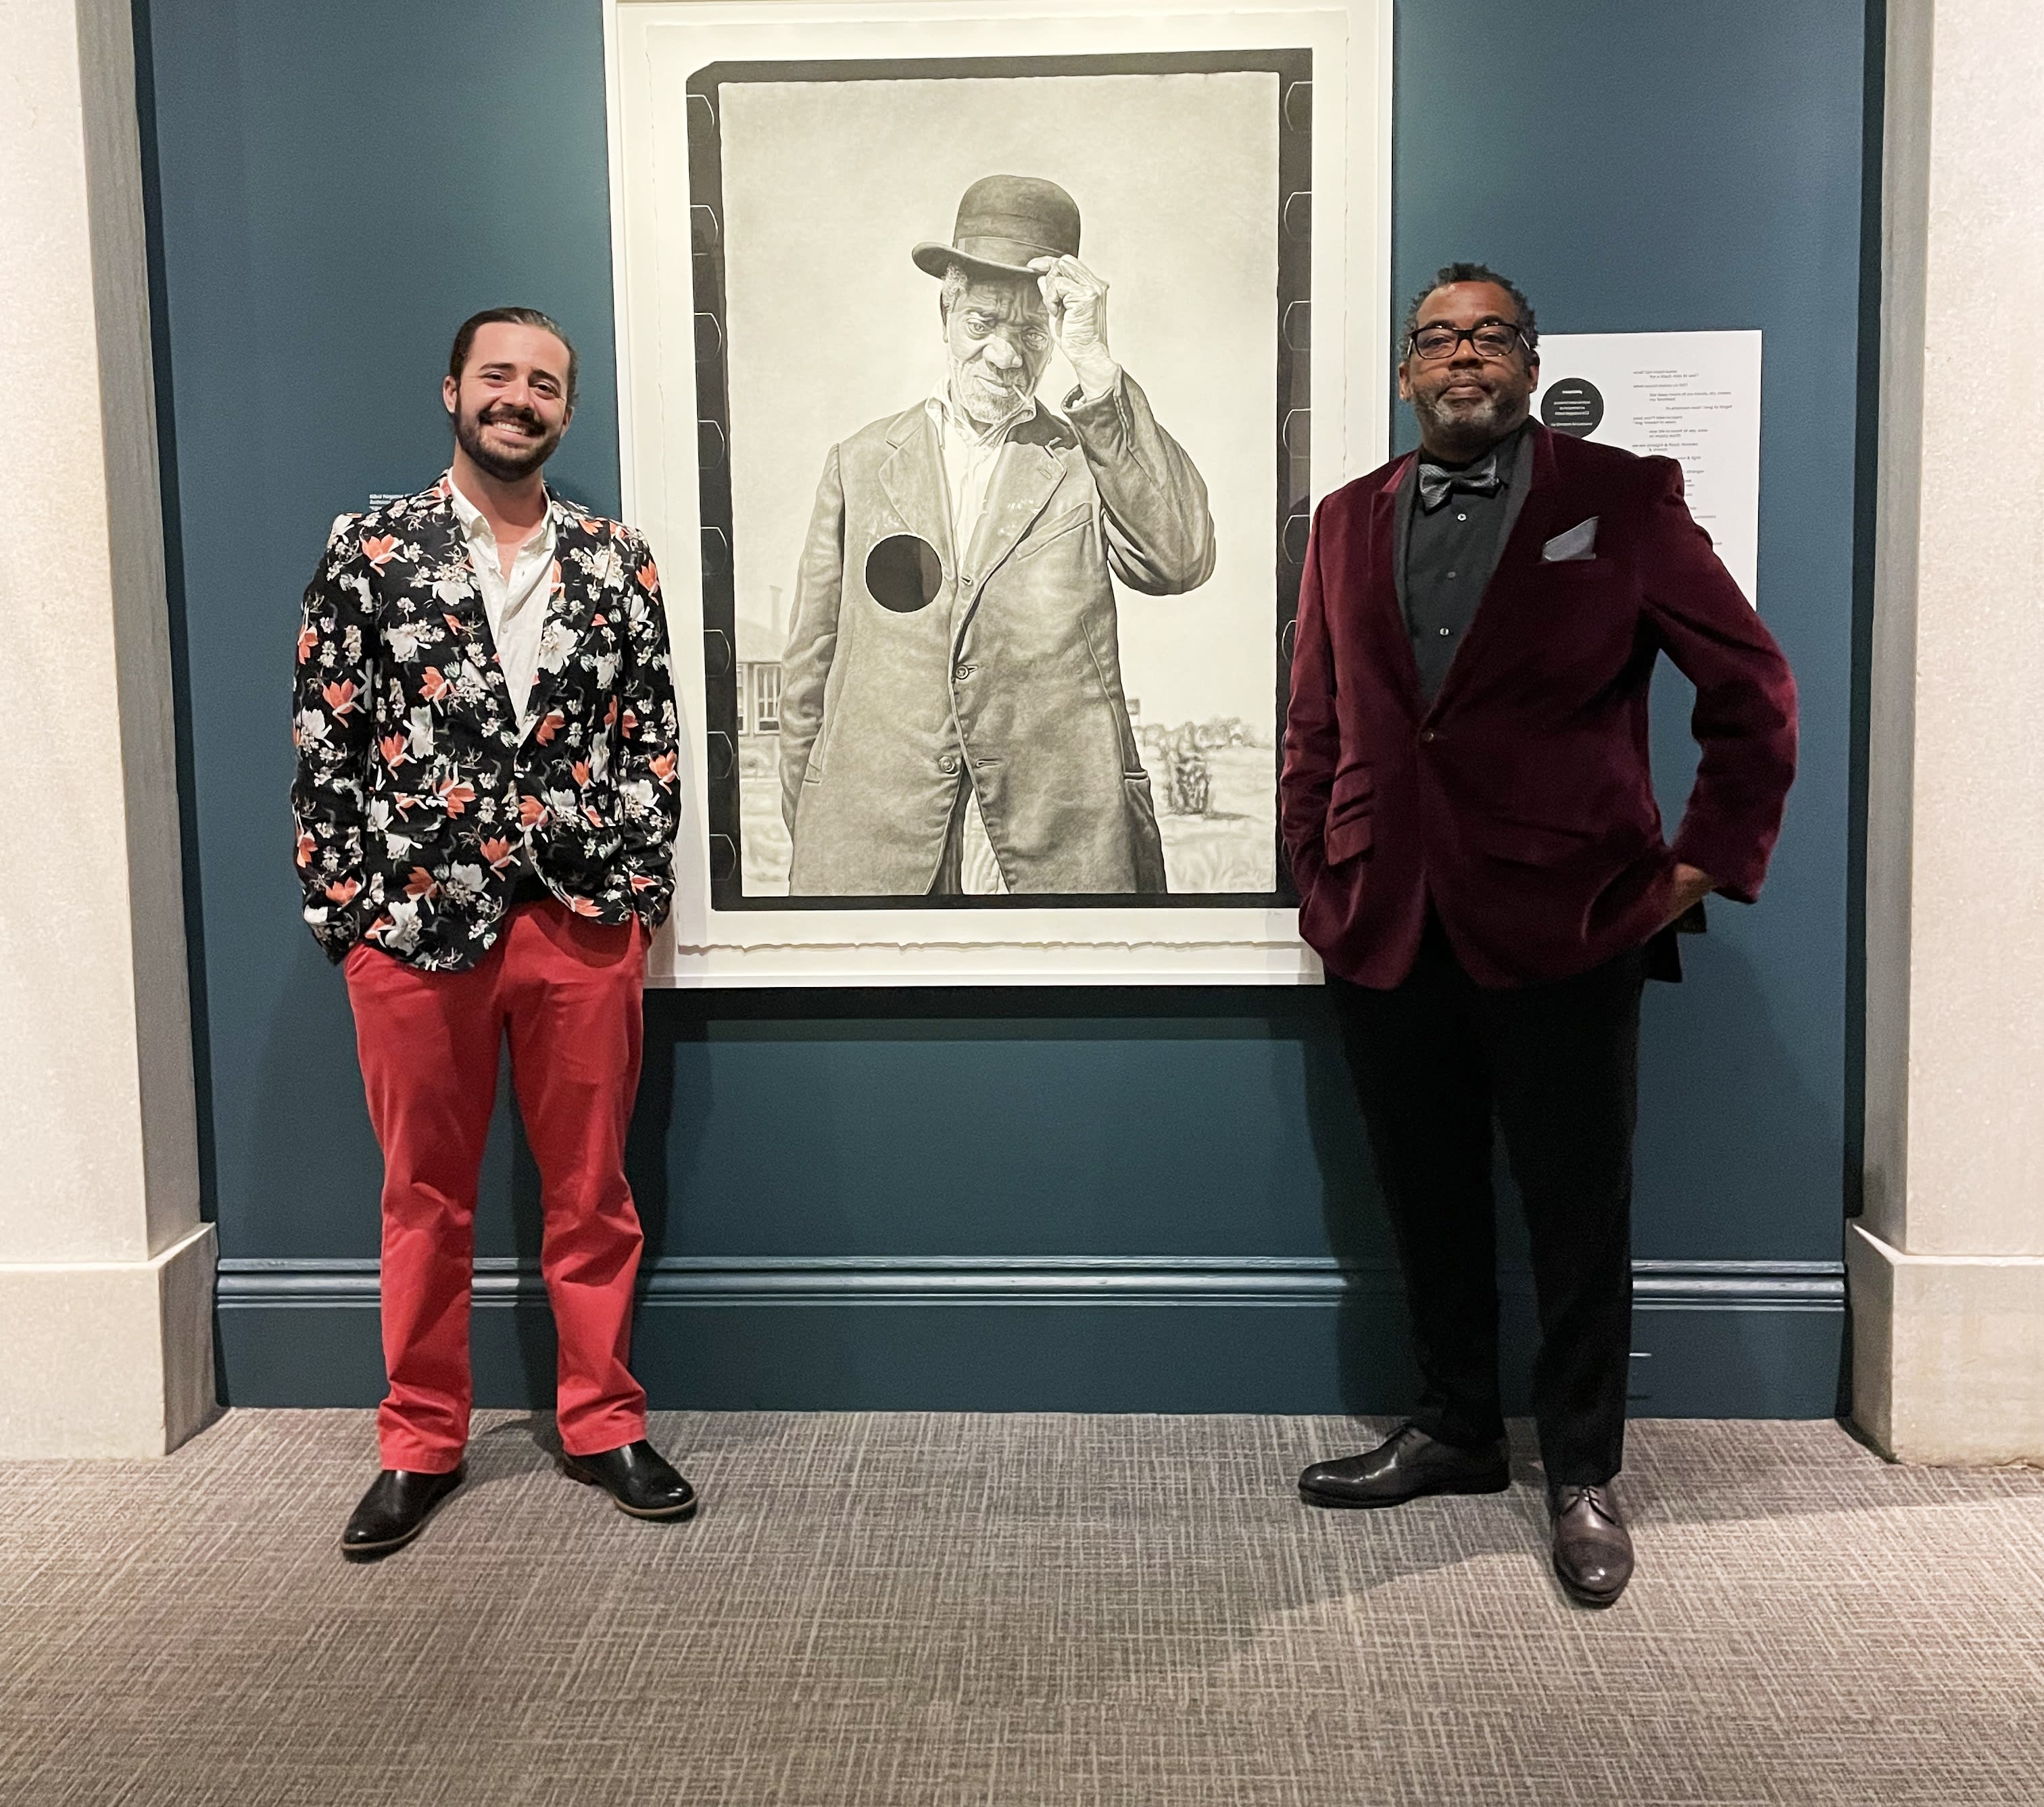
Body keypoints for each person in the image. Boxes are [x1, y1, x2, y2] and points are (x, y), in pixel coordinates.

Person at [1281, 264, 1796, 1606]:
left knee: (1579, 1211)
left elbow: (1752, 685)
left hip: (1569, 920)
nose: (1465, 354)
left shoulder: (1616, 500)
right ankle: (1455, 1425)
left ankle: (1580, 1468)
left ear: (1525, 359)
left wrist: (1701, 863)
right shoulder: (1343, 520)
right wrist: (1312, 875)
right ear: (1407, 367)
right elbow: (1315, 721)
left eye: (1490, 334)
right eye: (1440, 335)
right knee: (1428, 1195)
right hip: (1385, 917)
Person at [292, 306, 691, 1560]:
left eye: (546, 384)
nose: (520, 397)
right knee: (423, 1197)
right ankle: (419, 1438)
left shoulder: (616, 558)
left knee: (592, 1192)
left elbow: (651, 738)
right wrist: (348, 912)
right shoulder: (370, 545)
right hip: (412, 929)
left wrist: (631, 888)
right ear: (452, 390)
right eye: (499, 376)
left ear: (566, 410)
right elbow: (324, 737)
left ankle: (601, 1419)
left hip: (580, 923)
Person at [779, 172, 1215, 896]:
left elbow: (1179, 556)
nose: (1006, 356)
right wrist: (827, 825)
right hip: (876, 848)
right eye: (983, 323)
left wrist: (1097, 368)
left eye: (1031, 332)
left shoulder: (1090, 452)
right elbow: (809, 669)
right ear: (945, 312)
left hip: (1054, 849)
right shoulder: (859, 463)